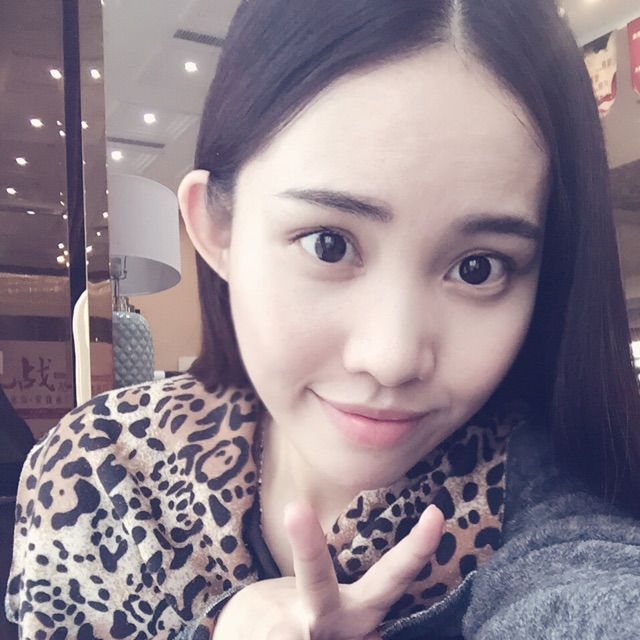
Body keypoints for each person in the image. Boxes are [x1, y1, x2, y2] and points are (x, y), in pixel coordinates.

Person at [6, 0, 640, 638]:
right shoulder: (101, 469)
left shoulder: (549, 493)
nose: (392, 356)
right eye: (329, 244)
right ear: (218, 227)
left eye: (478, 268)